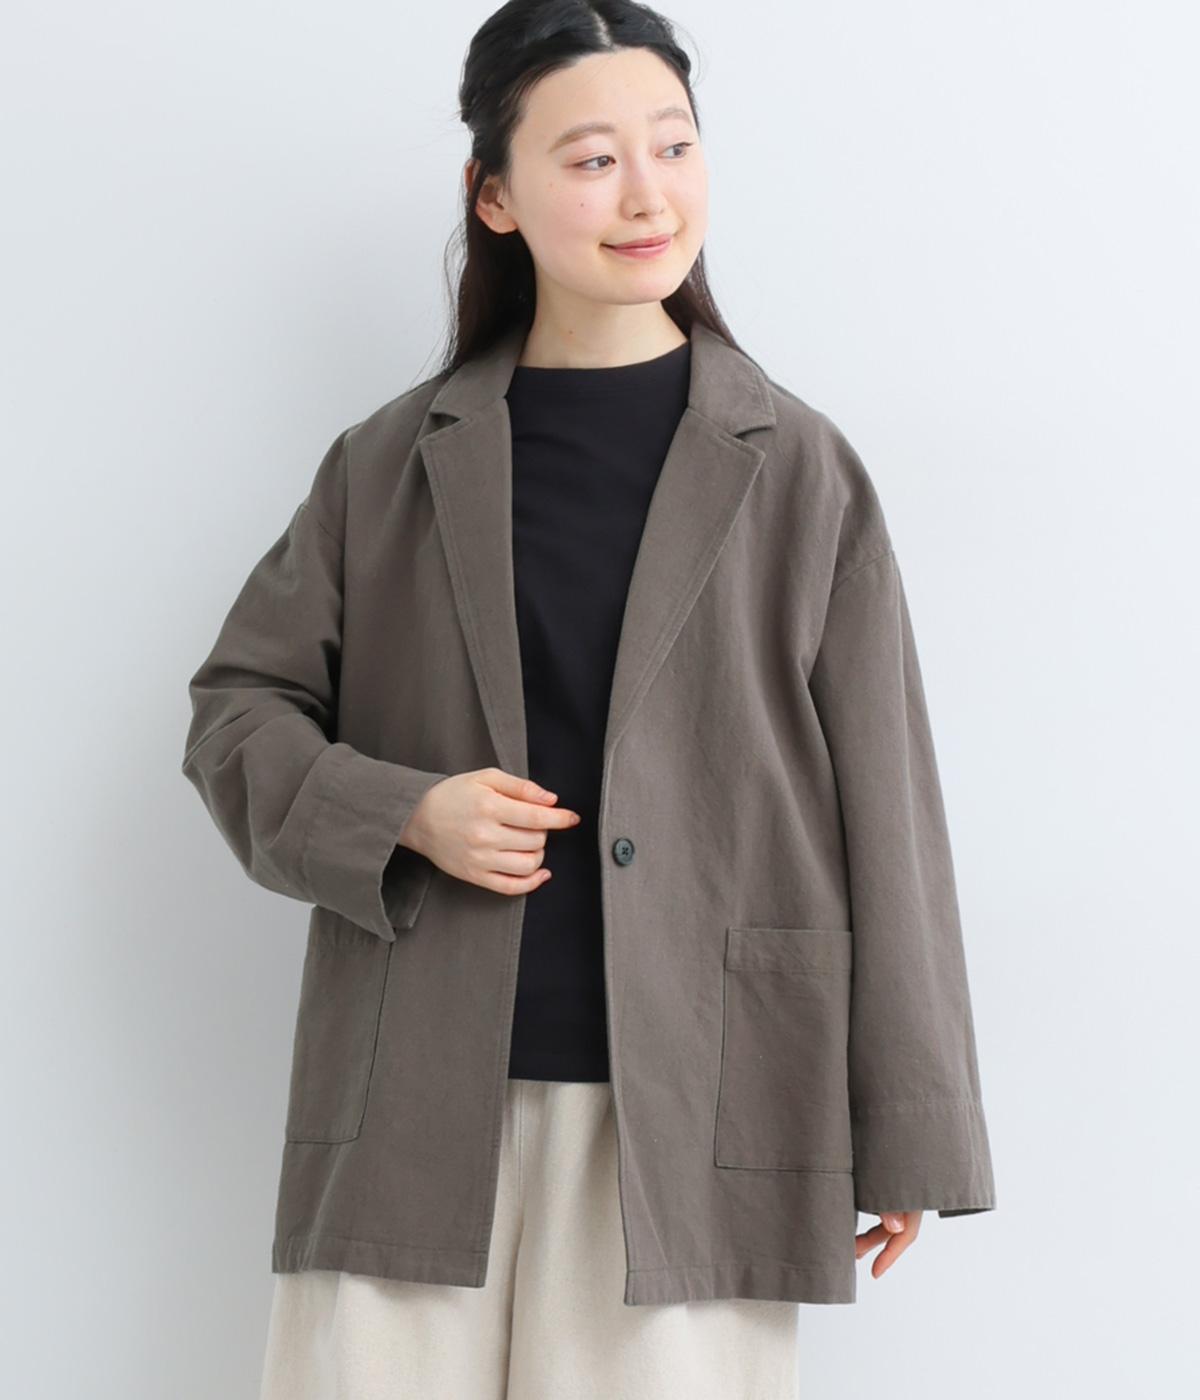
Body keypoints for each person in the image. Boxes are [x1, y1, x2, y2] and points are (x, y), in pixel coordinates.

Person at [182, 2, 995, 1395]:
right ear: (492, 194)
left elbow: (890, 806)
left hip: (703, 1098)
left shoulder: (799, 469)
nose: (647, 194)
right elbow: (237, 710)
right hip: (410, 1091)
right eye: (593, 158)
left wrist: (909, 1123)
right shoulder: (388, 463)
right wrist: (406, 813)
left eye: (673, 146)